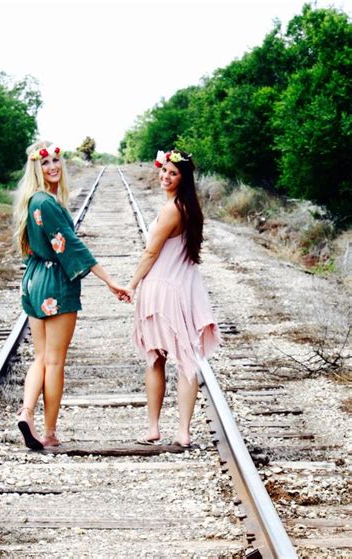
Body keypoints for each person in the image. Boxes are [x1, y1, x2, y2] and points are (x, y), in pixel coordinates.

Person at [13, 141, 129, 449]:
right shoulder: (47, 203)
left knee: (41, 357)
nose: (52, 166)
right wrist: (110, 281)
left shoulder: (31, 201)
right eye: (45, 162)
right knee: (54, 362)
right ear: (36, 168)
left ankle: (26, 413)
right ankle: (49, 433)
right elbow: (73, 247)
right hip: (54, 283)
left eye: (56, 160)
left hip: (34, 280)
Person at [123, 149, 221, 448]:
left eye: (173, 173)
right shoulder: (189, 208)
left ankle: (156, 428)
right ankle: (182, 431)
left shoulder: (171, 210)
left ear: (183, 178)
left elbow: (151, 252)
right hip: (181, 287)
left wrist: (131, 284)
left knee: (158, 360)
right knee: (184, 360)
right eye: (164, 170)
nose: (165, 176)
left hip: (161, 290)